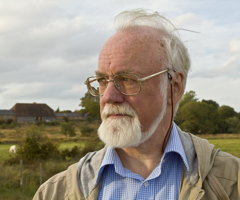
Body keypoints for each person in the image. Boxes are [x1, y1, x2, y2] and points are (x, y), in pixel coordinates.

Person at [33, 9, 240, 200]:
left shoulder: (232, 182)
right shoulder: (55, 192)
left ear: (174, 86)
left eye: (128, 79)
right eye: (103, 81)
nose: (109, 97)